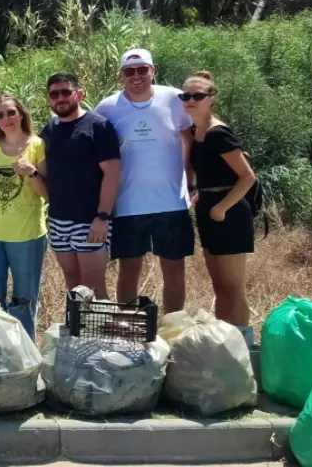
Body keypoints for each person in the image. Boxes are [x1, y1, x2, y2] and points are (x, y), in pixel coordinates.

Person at [93, 48, 196, 313]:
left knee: (174, 269)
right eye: (129, 71)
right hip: (128, 204)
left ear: (152, 71)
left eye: (142, 70)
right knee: (128, 270)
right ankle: (129, 327)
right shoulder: (107, 107)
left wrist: (191, 184)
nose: (136, 76)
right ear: (121, 76)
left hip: (172, 202)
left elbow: (190, 140)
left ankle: (173, 327)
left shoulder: (173, 98)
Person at [182, 71, 258, 344]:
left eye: (198, 96)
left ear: (211, 99)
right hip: (209, 209)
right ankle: (226, 344)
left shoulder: (218, 133)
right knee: (220, 285)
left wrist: (222, 208)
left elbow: (248, 177)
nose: (191, 100)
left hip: (229, 212)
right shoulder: (196, 131)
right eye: (186, 96)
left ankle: (243, 346)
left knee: (234, 287)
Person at [39, 73, 121, 299]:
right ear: (49, 100)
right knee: (73, 282)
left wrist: (102, 217)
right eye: (54, 94)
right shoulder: (49, 130)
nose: (60, 98)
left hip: (90, 220)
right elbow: (45, 172)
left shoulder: (98, 126)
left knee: (92, 284)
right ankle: (77, 330)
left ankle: (100, 330)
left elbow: (112, 174)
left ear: (79, 94)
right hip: (58, 220)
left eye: (66, 92)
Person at [0, 95, 48, 339]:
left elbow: (47, 194)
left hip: (26, 236)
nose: (6, 119)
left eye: (11, 113)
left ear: (21, 114)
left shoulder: (38, 145)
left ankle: (23, 353)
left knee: (23, 300)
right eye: (0, 115)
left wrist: (31, 173)